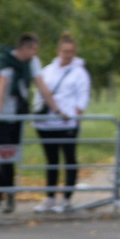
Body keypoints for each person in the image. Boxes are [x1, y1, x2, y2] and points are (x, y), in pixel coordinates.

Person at [0, 33, 42, 210]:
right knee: (5, 155)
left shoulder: (31, 63)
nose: (35, 53)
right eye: (33, 49)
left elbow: (41, 84)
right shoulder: (5, 62)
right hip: (1, 115)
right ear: (25, 48)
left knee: (10, 155)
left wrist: (56, 109)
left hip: (17, 114)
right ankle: (7, 196)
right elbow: (0, 86)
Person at [35, 32, 90, 211]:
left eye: (71, 51)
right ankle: (50, 197)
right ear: (58, 51)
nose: (68, 55)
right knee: (51, 161)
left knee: (69, 159)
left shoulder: (79, 73)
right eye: (65, 51)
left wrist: (75, 114)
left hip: (67, 123)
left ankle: (67, 198)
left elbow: (83, 97)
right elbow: (40, 91)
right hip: (47, 123)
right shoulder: (48, 70)